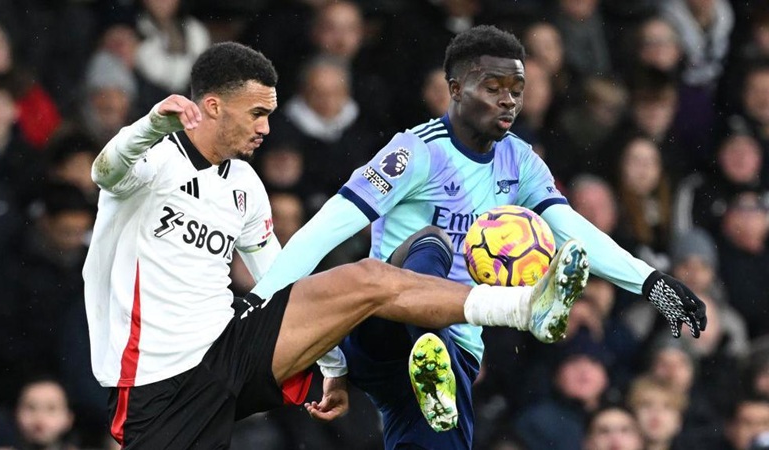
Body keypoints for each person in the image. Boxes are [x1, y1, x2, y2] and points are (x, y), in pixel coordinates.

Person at [82, 41, 590, 448]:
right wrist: (148, 124)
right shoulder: (150, 159)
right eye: (256, 114)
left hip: (229, 347)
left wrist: (331, 367)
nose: (265, 128)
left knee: (370, 278)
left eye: (269, 114)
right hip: (157, 381)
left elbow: (276, 277)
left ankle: (524, 306)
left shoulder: (245, 186)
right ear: (212, 106)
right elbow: (104, 170)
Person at [252, 25, 707, 449]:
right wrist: (261, 301)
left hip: (455, 357)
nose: (509, 101)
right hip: (382, 326)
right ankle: (434, 340)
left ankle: (434, 365)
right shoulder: (416, 150)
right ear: (455, 89)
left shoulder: (522, 161)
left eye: (517, 90)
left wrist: (651, 282)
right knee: (432, 242)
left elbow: (572, 229)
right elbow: (329, 225)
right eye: (493, 89)